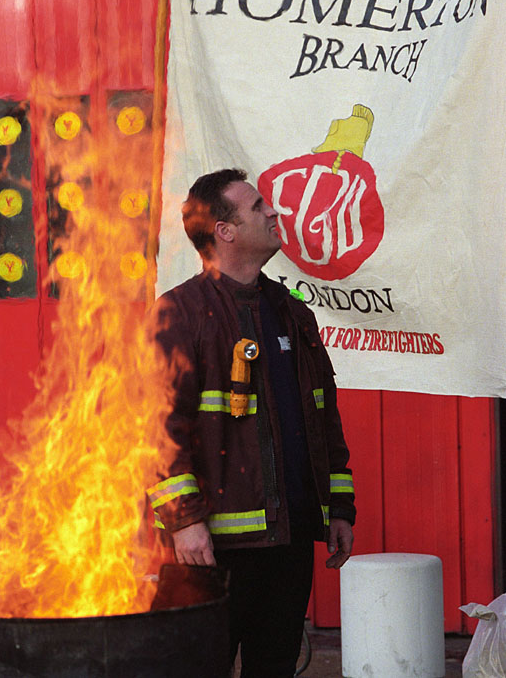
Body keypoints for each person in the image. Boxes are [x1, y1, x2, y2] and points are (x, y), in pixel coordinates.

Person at [147, 168, 355, 678]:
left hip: (286, 545)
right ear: (225, 230)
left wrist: (340, 506)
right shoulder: (178, 313)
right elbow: (154, 428)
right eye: (258, 206)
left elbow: (323, 418)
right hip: (207, 549)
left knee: (274, 667)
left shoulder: (292, 314)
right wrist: (184, 520)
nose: (274, 212)